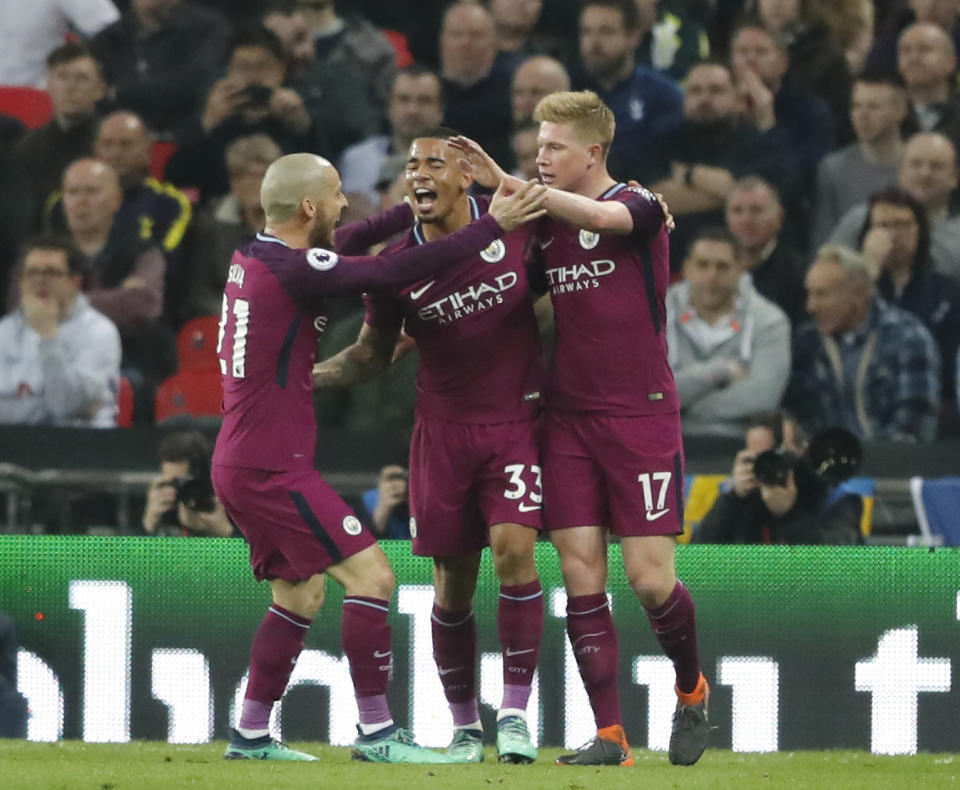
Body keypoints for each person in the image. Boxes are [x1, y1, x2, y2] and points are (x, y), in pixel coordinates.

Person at [211, 151, 546, 761]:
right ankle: (376, 734)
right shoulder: (295, 270)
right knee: (372, 576)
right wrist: (489, 226)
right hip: (269, 466)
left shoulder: (256, 255)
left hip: (242, 457)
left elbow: (351, 239)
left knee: (300, 595)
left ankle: (251, 733)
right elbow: (400, 268)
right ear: (310, 207)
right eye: (337, 195)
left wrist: (419, 200)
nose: (346, 206)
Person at [452, 89, 710, 767]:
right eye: (536, 147)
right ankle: (611, 737)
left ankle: (691, 689)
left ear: (593, 152)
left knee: (651, 580)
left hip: (640, 414)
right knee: (580, 573)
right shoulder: (546, 226)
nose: (540, 158)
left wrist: (505, 182)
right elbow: (507, 288)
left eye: (554, 148)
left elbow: (600, 215)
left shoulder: (640, 205)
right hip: (566, 417)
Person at [313, 129, 549, 765]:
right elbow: (371, 354)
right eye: (411, 165)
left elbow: (559, 302)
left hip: (513, 424)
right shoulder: (394, 267)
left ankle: (518, 715)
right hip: (441, 434)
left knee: (514, 551)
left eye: (434, 163)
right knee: (452, 585)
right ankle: (467, 727)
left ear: (466, 176)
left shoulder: (515, 223)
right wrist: (300, 380)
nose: (418, 173)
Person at [785, 244, 941, 442]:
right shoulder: (807, 342)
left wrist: (867, 464)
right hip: (822, 464)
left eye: (822, 294)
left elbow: (913, 429)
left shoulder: (907, 338)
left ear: (858, 294)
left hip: (891, 467)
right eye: (809, 293)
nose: (810, 306)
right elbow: (794, 417)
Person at [165, 26, 316, 203]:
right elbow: (175, 180)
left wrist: (304, 128)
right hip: (221, 221)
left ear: (281, 70)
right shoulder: (213, 125)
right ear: (228, 73)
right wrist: (206, 124)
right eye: (244, 68)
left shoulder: (296, 119)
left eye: (263, 67)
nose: (253, 77)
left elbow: (323, 181)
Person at [666, 227, 791, 438]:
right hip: (668, 445)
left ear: (740, 269)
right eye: (702, 265)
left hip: (740, 445)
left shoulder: (770, 321)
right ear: (687, 268)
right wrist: (722, 371)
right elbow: (648, 394)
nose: (711, 276)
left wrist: (683, 406)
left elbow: (764, 396)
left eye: (722, 267)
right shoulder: (654, 318)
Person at [858, 187, 960, 431]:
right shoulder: (856, 288)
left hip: (931, 401)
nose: (893, 234)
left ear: (920, 230)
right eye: (883, 225)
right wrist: (868, 269)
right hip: (865, 399)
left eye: (903, 225)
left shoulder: (949, 291)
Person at [0, 235, 120, 427]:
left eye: (51, 272)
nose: (39, 280)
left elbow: (65, 404)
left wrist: (48, 336)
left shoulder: (99, 332)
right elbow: (66, 413)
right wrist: (48, 411)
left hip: (84, 447)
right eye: (31, 273)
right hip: (14, 446)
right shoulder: (5, 331)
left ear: (75, 282)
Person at [693, 411, 863, 545]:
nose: (771, 467)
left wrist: (789, 515)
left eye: (780, 456)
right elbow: (697, 557)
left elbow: (835, 565)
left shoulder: (837, 500)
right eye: (761, 459)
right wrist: (732, 498)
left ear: (802, 452)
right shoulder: (741, 497)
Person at [574, 0, 683, 182]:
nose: (594, 42)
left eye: (606, 31)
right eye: (587, 32)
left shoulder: (662, 95)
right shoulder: (568, 89)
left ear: (633, 36)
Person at [827, 131, 960, 281]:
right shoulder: (862, 219)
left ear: (954, 177)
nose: (925, 173)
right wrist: (867, 265)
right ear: (901, 171)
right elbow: (825, 277)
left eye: (936, 166)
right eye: (916, 164)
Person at [90, 0, 227, 137]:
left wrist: (120, 92)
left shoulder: (205, 29)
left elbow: (195, 84)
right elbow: (97, 94)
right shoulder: (109, 39)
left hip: (184, 136)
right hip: (119, 138)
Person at [811, 72, 908, 251]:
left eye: (874, 107)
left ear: (901, 110)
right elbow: (824, 239)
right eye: (856, 106)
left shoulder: (919, 165)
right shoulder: (833, 169)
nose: (862, 115)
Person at [16, 43, 105, 230]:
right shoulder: (29, 146)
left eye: (81, 78)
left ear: (99, 90)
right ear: (48, 85)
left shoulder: (110, 144)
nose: (70, 87)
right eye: (62, 77)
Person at [339, 66, 445, 210]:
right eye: (403, 99)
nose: (412, 110)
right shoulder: (356, 160)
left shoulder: (456, 164)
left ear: (440, 110)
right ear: (389, 106)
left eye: (424, 101)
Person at [724, 177, 807, 323]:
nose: (746, 220)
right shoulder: (714, 269)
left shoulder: (799, 274)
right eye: (737, 211)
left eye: (756, 210)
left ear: (779, 218)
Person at [142, 431, 234, 537]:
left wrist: (225, 532)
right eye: (172, 483)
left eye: (186, 484)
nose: (180, 491)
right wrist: (149, 527)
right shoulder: (164, 512)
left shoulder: (228, 506)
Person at [360, 465, 411, 540]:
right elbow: (372, 532)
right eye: (391, 479)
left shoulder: (414, 497)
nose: (396, 483)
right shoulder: (370, 498)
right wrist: (384, 506)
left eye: (400, 478)